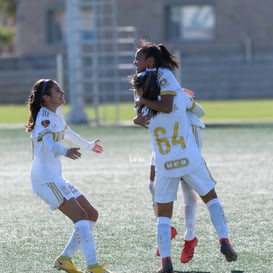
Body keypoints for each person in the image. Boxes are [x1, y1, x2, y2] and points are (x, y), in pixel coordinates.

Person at [132, 41, 238, 273]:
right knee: (211, 198)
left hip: (164, 161)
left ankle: (166, 262)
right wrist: (185, 100)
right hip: (188, 157)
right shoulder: (166, 80)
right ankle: (224, 240)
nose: (135, 61)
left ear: (151, 59)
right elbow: (171, 105)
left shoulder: (141, 88)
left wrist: (140, 107)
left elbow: (145, 116)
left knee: (163, 214)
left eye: (139, 57)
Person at [25, 79, 114, 273]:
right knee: (81, 217)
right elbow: (48, 143)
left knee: (91, 214)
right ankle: (94, 267)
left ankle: (65, 259)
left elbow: (68, 132)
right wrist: (65, 151)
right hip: (45, 180)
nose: (62, 92)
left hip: (55, 178)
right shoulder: (44, 118)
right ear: (46, 98)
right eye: (57, 90)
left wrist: (89, 145)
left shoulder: (56, 114)